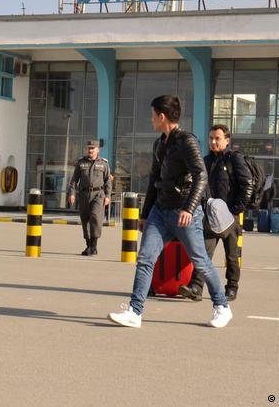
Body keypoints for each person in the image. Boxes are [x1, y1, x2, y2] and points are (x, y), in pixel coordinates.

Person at [108, 95, 232, 329]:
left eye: (153, 115)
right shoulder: (159, 143)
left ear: (162, 116)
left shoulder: (187, 141)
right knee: (145, 258)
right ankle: (135, 312)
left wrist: (189, 207)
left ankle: (222, 305)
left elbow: (201, 176)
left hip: (184, 213)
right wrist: (145, 214)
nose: (151, 119)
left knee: (200, 260)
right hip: (160, 210)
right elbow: (155, 178)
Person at [178, 124, 253, 302]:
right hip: (209, 216)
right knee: (203, 253)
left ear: (227, 140)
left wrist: (235, 209)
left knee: (232, 256)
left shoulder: (235, 159)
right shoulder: (205, 161)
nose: (213, 142)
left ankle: (232, 287)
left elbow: (247, 184)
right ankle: (196, 287)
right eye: (211, 138)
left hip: (230, 217)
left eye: (217, 138)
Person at [66, 140, 112, 256]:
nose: (90, 150)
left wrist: (107, 196)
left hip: (98, 194)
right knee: (85, 219)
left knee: (95, 218)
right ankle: (88, 245)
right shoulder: (81, 163)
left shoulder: (104, 163)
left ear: (98, 150)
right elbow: (74, 180)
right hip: (83, 195)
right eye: (89, 148)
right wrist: (71, 193)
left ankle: (93, 245)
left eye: (93, 148)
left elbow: (108, 181)